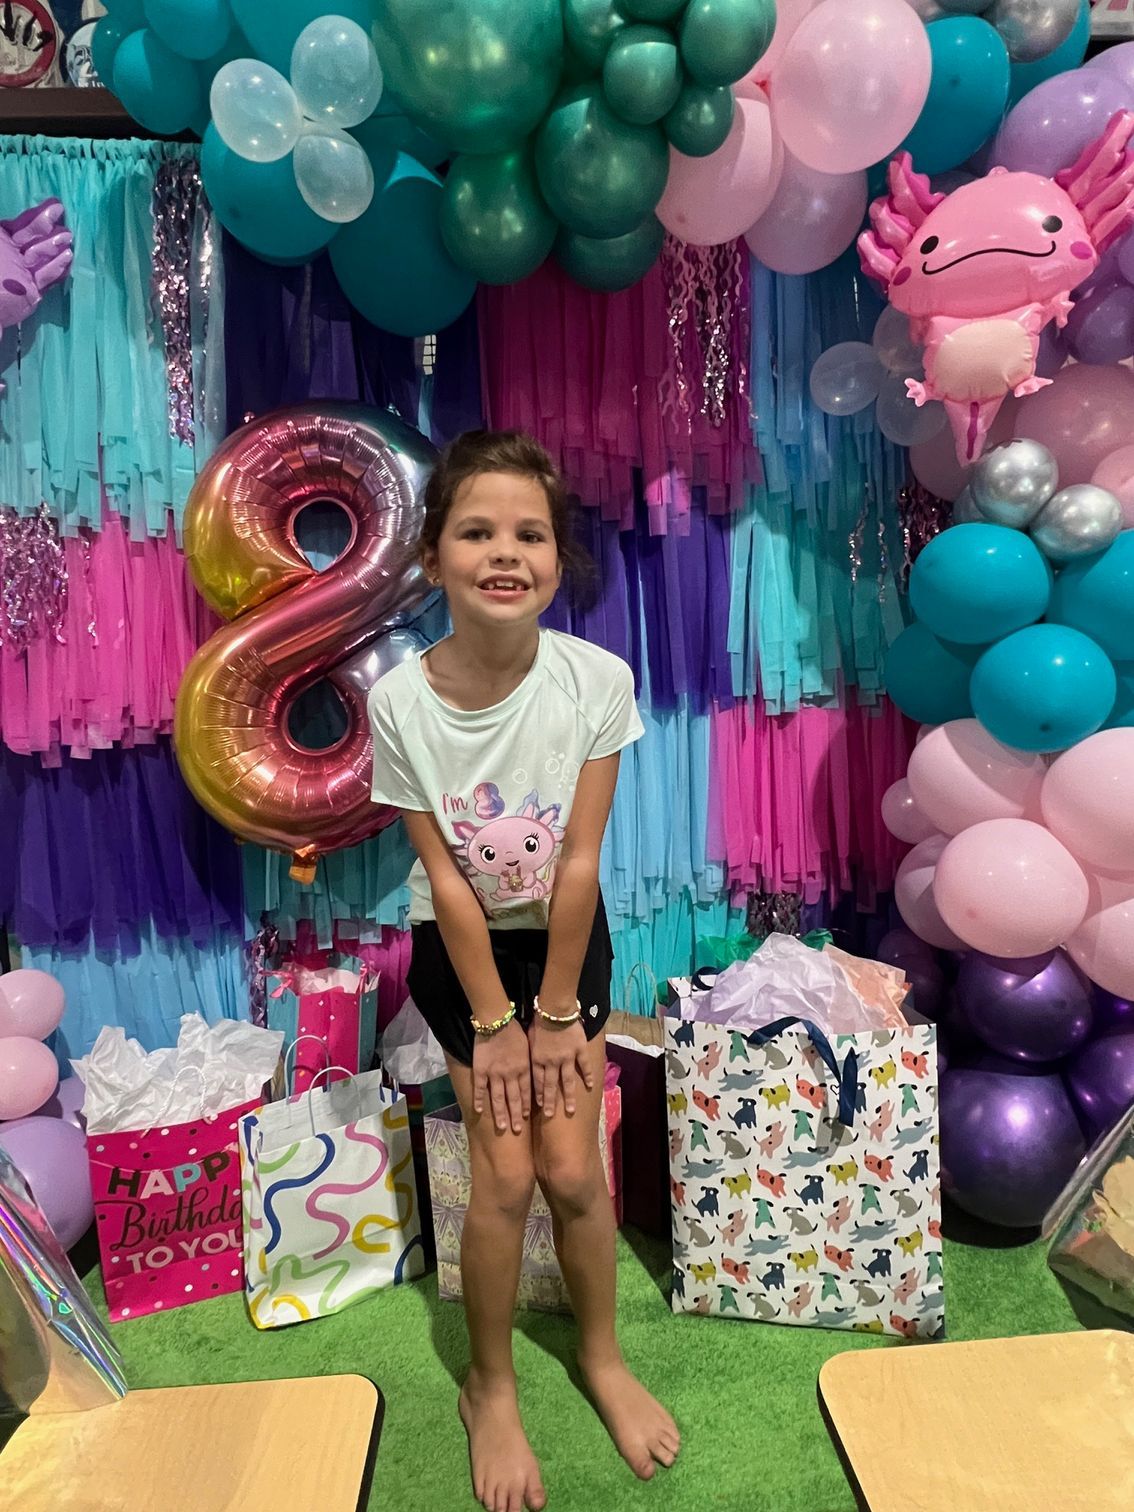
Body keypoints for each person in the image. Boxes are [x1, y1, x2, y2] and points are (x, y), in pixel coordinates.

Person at [368, 430, 680, 1512]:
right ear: (434, 556)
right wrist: (497, 1025)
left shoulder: (597, 679)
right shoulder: (400, 701)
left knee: (575, 1170)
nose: (506, 553)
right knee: (503, 1177)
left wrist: (556, 1013)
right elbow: (448, 882)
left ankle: (599, 1355)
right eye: (477, 531)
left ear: (556, 558)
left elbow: (581, 860)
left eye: (530, 534)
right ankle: (489, 1389)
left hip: (562, 938)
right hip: (464, 950)